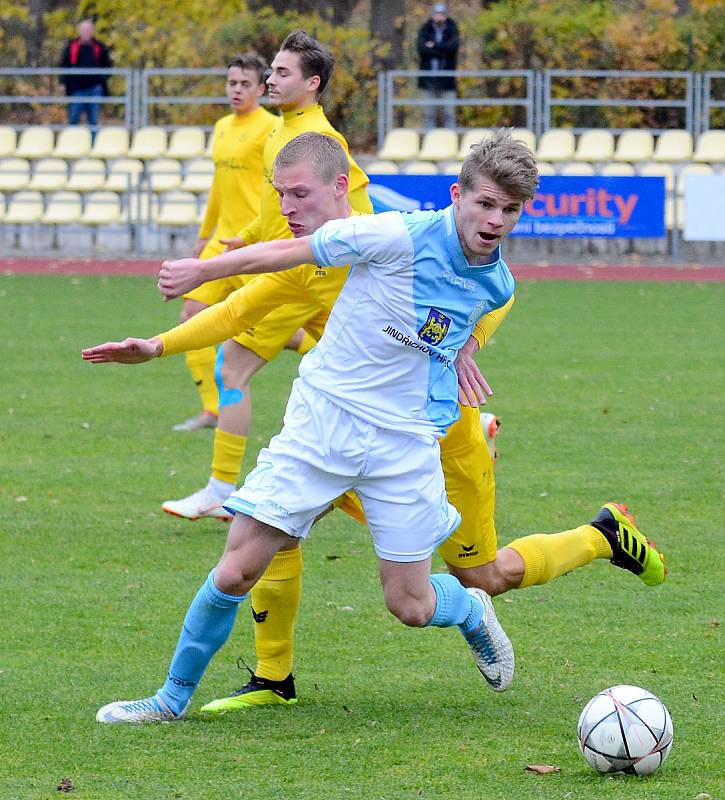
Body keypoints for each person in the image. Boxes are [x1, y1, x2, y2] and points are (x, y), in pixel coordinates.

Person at [83, 131, 666, 724]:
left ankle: (468, 610)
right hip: (322, 427)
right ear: (456, 194)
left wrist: (467, 345)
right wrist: (201, 271)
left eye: (509, 210)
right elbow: (283, 256)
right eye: (485, 203)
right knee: (236, 567)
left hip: (404, 444)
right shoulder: (397, 233)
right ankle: (171, 699)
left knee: (412, 605)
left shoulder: (499, 282)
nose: (495, 220)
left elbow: (469, 316)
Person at [161, 30, 372, 519]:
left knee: (231, 366)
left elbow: (356, 201)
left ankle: (221, 488)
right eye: (271, 71)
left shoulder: (319, 138)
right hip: (302, 269)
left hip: (306, 273)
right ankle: (458, 439)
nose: (270, 80)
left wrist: (366, 254)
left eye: (281, 72)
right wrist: (247, 234)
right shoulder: (281, 129)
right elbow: (275, 206)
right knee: (368, 375)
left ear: (312, 82)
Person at [172, 54, 277, 433]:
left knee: (281, 325)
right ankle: (213, 410)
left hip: (253, 245)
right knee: (191, 318)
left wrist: (257, 232)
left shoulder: (272, 129)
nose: (236, 90)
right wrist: (204, 236)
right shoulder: (220, 127)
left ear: (261, 89)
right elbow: (219, 187)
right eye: (231, 83)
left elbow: (274, 188)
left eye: (245, 84)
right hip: (221, 244)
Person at [59, 19, 113, 130]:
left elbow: (108, 66)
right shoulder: (71, 47)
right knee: (73, 119)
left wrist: (100, 79)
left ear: (92, 31)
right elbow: (63, 65)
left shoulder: (99, 47)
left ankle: (93, 145)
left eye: (88, 30)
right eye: (83, 30)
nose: (86, 32)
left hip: (94, 89)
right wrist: (62, 82)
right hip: (76, 89)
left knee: (93, 120)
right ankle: (71, 143)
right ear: (79, 31)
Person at [416, 3, 460, 130]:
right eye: (437, 14)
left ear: (446, 15)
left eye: (442, 14)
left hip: (447, 81)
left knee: (449, 114)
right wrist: (443, 49)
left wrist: (433, 44)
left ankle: (451, 140)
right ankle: (429, 142)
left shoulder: (452, 29)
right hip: (428, 80)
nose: (439, 17)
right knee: (429, 114)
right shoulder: (425, 29)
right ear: (433, 15)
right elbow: (422, 49)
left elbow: (452, 48)